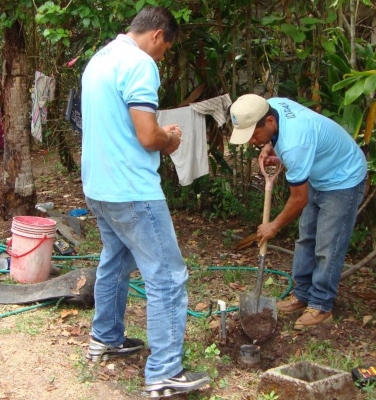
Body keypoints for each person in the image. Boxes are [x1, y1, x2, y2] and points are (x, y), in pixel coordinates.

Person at [81, 7, 210, 397]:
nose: (162, 57)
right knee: (168, 276)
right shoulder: (139, 63)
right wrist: (169, 138)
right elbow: (147, 137)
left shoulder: (100, 58)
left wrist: (156, 131)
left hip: (99, 186)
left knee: (116, 262)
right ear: (156, 35)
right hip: (132, 190)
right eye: (165, 49)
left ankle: (105, 338)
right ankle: (164, 372)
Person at [229, 94, 368, 330]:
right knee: (306, 238)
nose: (252, 141)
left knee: (328, 245)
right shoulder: (273, 105)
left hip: (344, 178)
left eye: (254, 134)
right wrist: (269, 144)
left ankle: (321, 305)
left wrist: (274, 225)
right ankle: (302, 295)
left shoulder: (295, 145)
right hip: (319, 174)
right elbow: (280, 133)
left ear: (269, 121)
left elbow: (299, 199)